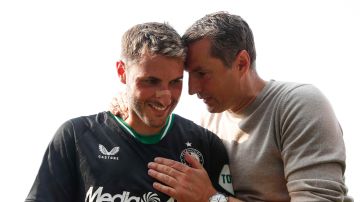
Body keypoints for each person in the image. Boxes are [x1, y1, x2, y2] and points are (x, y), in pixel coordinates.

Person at [111, 11, 352, 201]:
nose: (192, 89)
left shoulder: (299, 105)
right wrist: (129, 107)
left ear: (241, 63)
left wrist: (210, 198)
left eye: (202, 73)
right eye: (187, 76)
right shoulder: (208, 123)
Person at [25, 22, 234, 202]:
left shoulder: (206, 145)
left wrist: (209, 197)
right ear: (122, 72)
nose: (164, 96)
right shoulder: (75, 137)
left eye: (175, 82)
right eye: (150, 81)